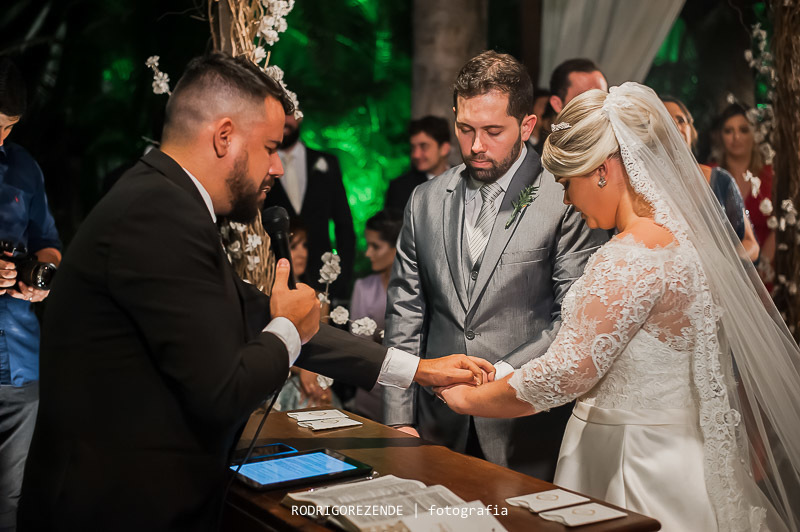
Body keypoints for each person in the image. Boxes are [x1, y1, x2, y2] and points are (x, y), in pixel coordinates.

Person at [18, 53, 493, 532]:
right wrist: (286, 326)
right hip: (113, 508)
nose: (277, 167)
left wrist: (419, 370)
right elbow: (223, 392)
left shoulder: (166, 200)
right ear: (224, 136)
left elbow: (251, 309)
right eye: (270, 147)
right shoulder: (157, 213)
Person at [437, 83, 800, 531]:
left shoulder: (631, 254)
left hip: (630, 462)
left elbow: (567, 372)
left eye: (568, 184)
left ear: (604, 170)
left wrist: (468, 398)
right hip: (683, 454)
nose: (568, 199)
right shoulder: (686, 242)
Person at [383, 50, 608, 480]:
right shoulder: (424, 201)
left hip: (525, 428)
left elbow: (573, 318)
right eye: (465, 129)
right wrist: (397, 419)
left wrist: (496, 379)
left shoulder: (565, 195)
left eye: (492, 131)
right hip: (436, 424)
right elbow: (406, 314)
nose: (476, 146)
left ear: (527, 126)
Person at [0, 58, 62, 532]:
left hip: (20, 356)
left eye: (9, 128)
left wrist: (43, 272)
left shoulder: (23, 166)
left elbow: (49, 241)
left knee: (12, 500)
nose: (1, 138)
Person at [262, 110, 355, 299]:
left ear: (299, 116)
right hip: (276, 275)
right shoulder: (262, 164)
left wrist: (341, 276)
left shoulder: (327, 163)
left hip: (322, 277)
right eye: (278, 114)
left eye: (288, 114)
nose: (284, 122)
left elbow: (344, 224)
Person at [661, 96, 759, 261]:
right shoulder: (643, 185)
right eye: (666, 121)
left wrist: (722, 264)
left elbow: (751, 245)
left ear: (692, 130)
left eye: (680, 120)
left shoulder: (720, 180)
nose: (676, 127)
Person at [347, 209, 403, 421]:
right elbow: (358, 345)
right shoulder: (364, 287)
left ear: (398, 248)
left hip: (412, 394)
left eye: (375, 246)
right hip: (370, 393)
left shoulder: (419, 288)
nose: (368, 253)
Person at [711, 103, 775, 280]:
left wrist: (763, 266)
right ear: (721, 136)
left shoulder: (770, 176)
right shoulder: (710, 175)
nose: (736, 137)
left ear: (755, 133)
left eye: (743, 130)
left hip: (764, 272)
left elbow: (777, 228)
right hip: (723, 273)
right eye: (728, 131)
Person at [384, 116, 451, 212]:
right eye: (413, 147)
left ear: (444, 149)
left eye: (424, 146)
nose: (416, 155)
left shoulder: (465, 179)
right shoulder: (400, 188)